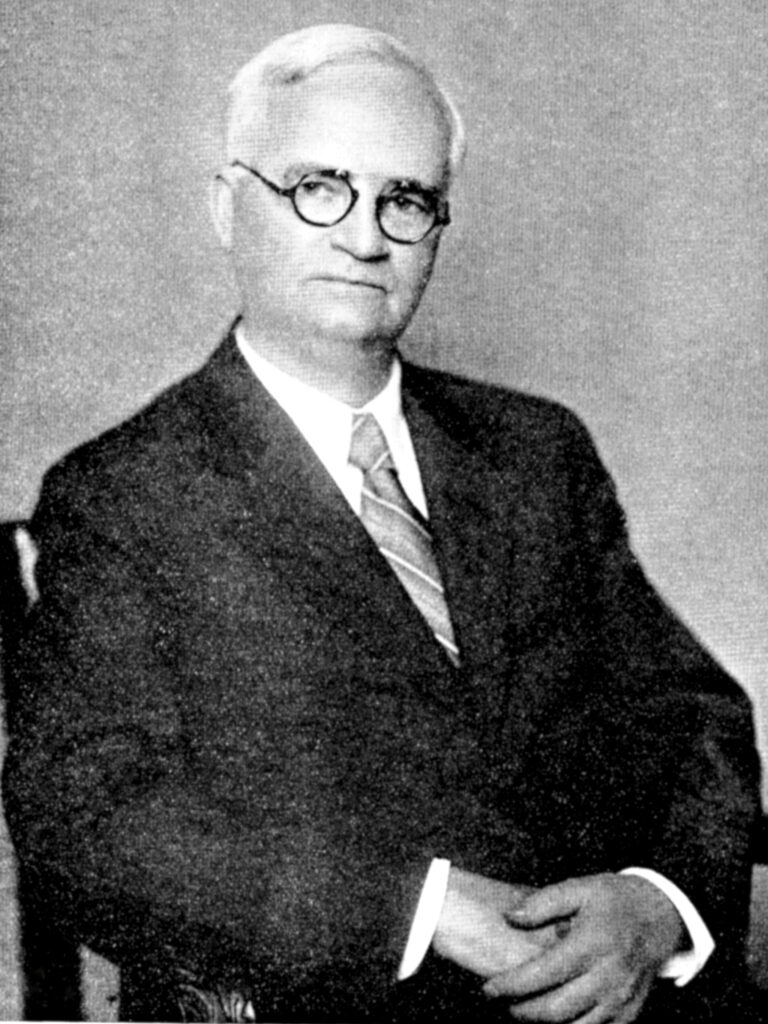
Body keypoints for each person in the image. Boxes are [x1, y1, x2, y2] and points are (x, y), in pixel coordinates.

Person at [3, 23, 761, 1024]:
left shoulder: (537, 452)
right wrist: (417, 907)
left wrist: (659, 905)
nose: (365, 238)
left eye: (404, 200)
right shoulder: (123, 495)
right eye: (319, 187)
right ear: (227, 207)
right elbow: (88, 822)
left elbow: (690, 717)